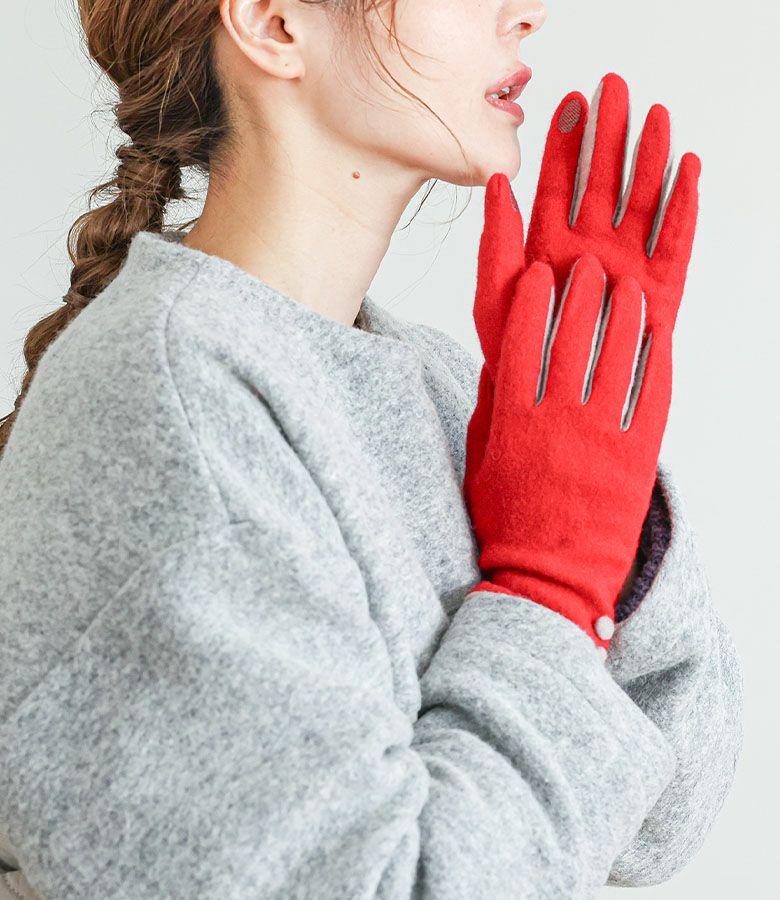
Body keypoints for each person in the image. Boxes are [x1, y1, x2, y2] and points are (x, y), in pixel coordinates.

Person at [0, 1, 742, 898]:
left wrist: (606, 514)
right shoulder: (165, 408)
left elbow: (663, 814)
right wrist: (553, 588)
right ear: (274, 25)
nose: (525, 13)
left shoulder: (436, 383)